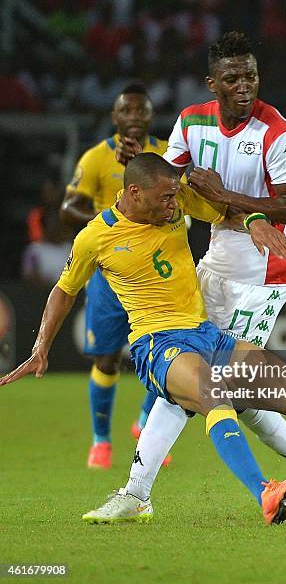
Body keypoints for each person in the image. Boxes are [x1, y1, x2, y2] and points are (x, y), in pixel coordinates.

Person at [1, 153, 286, 525]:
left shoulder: (175, 200)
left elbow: (223, 211)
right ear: (133, 193)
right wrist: (41, 348)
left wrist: (257, 222)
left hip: (209, 335)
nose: (174, 204)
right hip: (158, 344)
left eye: (175, 196)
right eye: (165, 197)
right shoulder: (96, 236)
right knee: (214, 394)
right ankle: (264, 491)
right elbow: (64, 290)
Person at [118, 31, 286, 509]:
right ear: (214, 83)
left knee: (222, 381)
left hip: (263, 270)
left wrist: (230, 199)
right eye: (233, 78)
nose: (245, 85)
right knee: (193, 375)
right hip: (214, 260)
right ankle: (136, 492)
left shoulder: (277, 131)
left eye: (251, 75)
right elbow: (165, 182)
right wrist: (137, 172)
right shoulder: (191, 123)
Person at [59, 82, 169, 469]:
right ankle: (101, 441)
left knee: (168, 354)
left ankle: (145, 424)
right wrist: (107, 227)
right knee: (106, 358)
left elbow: (182, 203)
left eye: (142, 112)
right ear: (115, 117)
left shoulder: (167, 155)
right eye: (128, 111)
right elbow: (67, 208)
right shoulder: (94, 159)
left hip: (157, 272)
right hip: (110, 272)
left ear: (151, 117)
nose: (135, 118)